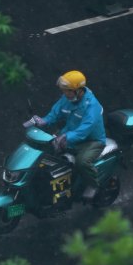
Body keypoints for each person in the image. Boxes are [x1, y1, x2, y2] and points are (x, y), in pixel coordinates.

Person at [31, 70, 106, 199]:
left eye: (68, 90)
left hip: (92, 141)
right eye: (64, 90)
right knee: (46, 154)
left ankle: (93, 185)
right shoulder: (67, 98)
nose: (65, 93)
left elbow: (84, 129)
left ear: (78, 90)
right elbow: (55, 113)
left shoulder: (92, 106)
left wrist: (66, 137)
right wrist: (43, 121)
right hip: (68, 136)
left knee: (82, 162)